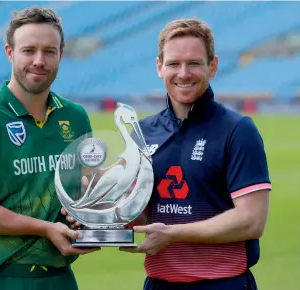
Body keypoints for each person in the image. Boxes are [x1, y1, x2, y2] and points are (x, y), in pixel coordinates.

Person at [64, 18, 271, 290]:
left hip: (222, 282)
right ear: (159, 67)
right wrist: (98, 201)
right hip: (160, 283)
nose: (183, 73)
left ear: (213, 66)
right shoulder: (142, 133)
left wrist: (173, 234)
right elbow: (138, 213)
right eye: (174, 63)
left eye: (194, 63)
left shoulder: (238, 130)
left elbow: (251, 221)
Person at [0, 7, 99, 290]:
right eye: (29, 50)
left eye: (49, 51)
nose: (39, 61)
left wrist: (91, 215)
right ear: (9, 52)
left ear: (60, 55)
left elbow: (84, 190)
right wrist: (44, 228)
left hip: (59, 279)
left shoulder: (75, 117)